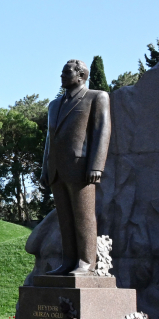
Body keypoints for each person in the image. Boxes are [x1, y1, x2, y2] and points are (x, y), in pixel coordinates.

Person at [40, 59, 111, 276]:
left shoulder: (96, 97)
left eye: (67, 72)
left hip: (81, 168)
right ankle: (68, 261)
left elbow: (102, 130)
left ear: (81, 76)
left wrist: (96, 166)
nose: (62, 76)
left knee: (84, 217)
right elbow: (50, 139)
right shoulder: (54, 105)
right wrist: (45, 168)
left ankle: (86, 263)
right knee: (65, 219)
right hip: (57, 170)